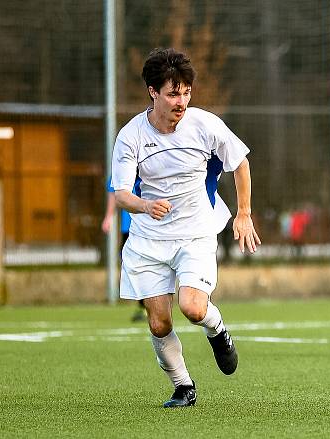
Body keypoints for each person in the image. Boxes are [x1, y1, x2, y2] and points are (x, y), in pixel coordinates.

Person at [111, 48, 261, 408]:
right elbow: (120, 193)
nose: (181, 101)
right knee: (159, 324)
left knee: (193, 307)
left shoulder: (204, 124)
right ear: (153, 92)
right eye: (172, 93)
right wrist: (145, 205)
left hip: (195, 233)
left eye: (186, 93)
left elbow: (238, 163)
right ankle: (183, 386)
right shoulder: (131, 136)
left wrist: (244, 213)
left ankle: (218, 330)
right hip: (149, 239)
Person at [102, 176, 145, 322]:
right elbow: (112, 192)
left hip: (149, 226)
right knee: (132, 266)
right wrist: (108, 217)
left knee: (149, 265)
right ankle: (144, 305)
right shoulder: (122, 164)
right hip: (129, 228)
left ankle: (150, 305)